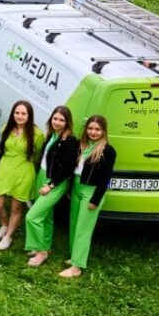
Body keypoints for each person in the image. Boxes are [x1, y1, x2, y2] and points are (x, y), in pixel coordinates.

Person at [25, 106, 80, 269]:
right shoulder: (51, 135)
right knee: (46, 216)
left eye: (61, 120)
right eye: (55, 118)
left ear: (67, 122)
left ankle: (41, 251)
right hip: (42, 175)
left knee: (32, 216)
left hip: (55, 182)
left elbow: (67, 168)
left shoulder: (70, 141)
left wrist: (51, 185)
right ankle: (46, 246)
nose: (57, 122)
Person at [62, 115, 116, 279]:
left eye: (97, 129)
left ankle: (77, 267)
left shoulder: (107, 150)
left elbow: (105, 178)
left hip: (91, 192)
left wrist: (95, 200)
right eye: (91, 128)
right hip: (77, 187)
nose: (93, 132)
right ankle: (74, 256)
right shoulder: (82, 145)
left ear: (103, 131)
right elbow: (74, 170)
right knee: (73, 224)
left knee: (83, 228)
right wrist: (71, 188)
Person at [0, 100, 43, 250]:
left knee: (16, 207)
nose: (19, 116)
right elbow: (2, 147)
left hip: (24, 170)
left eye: (23, 113)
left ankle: (8, 236)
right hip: (5, 167)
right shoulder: (7, 128)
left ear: (29, 115)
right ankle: (5, 224)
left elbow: (37, 154)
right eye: (17, 113)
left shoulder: (37, 134)